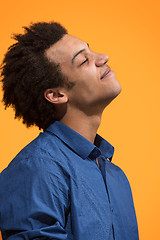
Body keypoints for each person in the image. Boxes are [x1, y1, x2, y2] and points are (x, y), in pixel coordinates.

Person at [0, 21, 139, 240]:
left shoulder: (117, 177)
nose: (103, 58)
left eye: (91, 50)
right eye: (84, 60)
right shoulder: (36, 169)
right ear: (56, 95)